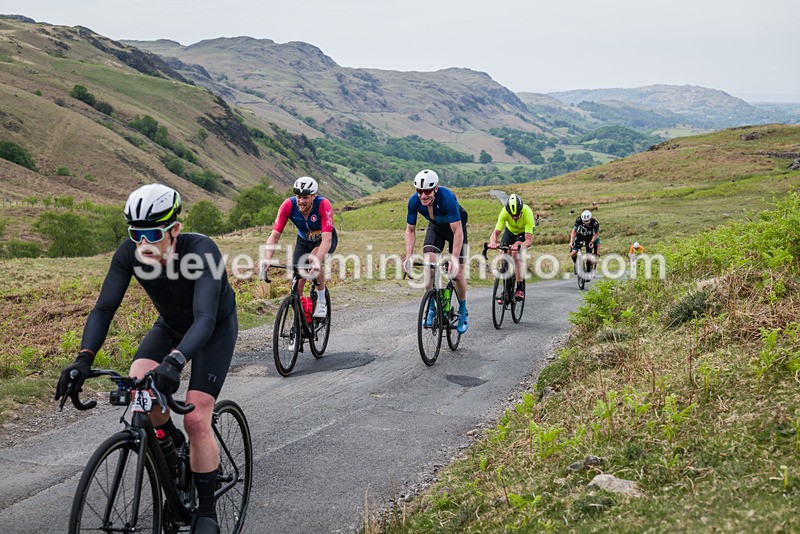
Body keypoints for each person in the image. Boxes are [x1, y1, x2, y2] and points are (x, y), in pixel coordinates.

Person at [54, 183, 237, 534]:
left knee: (197, 418)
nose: (143, 244)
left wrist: (177, 360)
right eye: (135, 234)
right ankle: (170, 442)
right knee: (140, 381)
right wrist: (83, 359)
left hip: (212, 329)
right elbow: (104, 308)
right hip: (169, 326)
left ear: (175, 230)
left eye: (152, 233)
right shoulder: (129, 253)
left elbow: (204, 319)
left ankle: (207, 512)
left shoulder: (202, 251)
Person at [403, 169, 469, 334]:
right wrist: (409, 256)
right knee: (429, 266)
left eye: (427, 192)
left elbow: (458, 232)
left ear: (435, 189)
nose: (423, 196)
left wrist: (453, 260)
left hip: (455, 228)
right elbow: (410, 230)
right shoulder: (414, 201)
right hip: (436, 228)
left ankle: (463, 311)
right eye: (419, 191)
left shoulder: (447, 197)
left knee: (457, 274)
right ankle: (432, 308)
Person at [261, 176, 338, 318]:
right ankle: (301, 318)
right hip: (303, 241)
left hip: (323, 240)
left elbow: (327, 240)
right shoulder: (288, 205)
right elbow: (274, 235)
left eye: (305, 197)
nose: (301, 201)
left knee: (313, 259)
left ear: (313, 196)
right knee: (297, 282)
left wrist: (317, 261)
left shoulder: (323, 205)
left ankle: (321, 302)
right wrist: (267, 259)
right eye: (298, 197)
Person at [487, 194, 534, 301]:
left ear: (521, 210)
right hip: (510, 232)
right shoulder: (504, 212)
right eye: (512, 215)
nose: (515, 217)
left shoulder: (528, 213)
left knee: (515, 254)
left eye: (517, 214)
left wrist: (519, 246)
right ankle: (506, 291)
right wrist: (493, 243)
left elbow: (529, 240)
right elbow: (496, 233)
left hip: (523, 234)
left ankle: (520, 288)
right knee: (503, 254)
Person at [570, 209, 600, 273]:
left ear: (590, 219)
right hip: (579, 236)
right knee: (573, 253)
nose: (585, 223)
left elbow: (596, 233)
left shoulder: (595, 223)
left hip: (589, 237)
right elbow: (574, 231)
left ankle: (589, 270)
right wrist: (571, 241)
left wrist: (592, 241)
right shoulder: (578, 220)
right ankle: (576, 264)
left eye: (587, 222)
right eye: (584, 221)